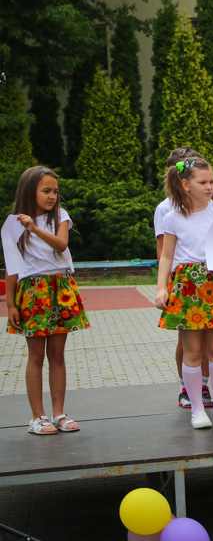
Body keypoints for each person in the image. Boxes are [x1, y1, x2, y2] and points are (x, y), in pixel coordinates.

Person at [155, 154, 213, 429]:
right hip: (187, 285)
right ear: (185, 184)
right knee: (192, 351)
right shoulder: (172, 217)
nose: (209, 186)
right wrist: (162, 288)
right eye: (202, 182)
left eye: (212, 181)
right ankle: (197, 409)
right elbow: (166, 256)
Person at [5, 166, 89, 435]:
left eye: (55, 191)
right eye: (45, 191)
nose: (52, 196)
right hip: (33, 290)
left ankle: (59, 414)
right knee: (36, 355)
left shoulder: (60, 217)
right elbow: (12, 268)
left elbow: (61, 245)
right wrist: (10, 304)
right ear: (30, 191)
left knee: (57, 354)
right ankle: (37, 417)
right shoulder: (13, 225)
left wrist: (35, 228)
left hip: (60, 287)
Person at [155, 150, 212, 409]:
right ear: (180, 179)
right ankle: (186, 385)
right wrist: (163, 286)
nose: (208, 186)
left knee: (210, 340)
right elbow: (164, 251)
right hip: (184, 280)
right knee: (187, 340)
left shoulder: (211, 201)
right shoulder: (166, 210)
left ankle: (204, 384)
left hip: (211, 279)